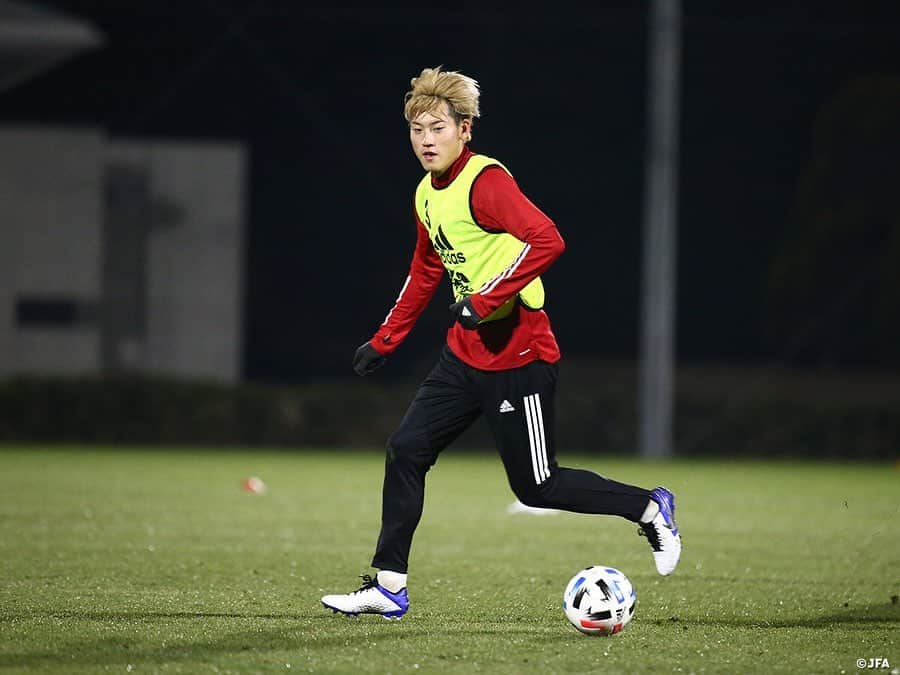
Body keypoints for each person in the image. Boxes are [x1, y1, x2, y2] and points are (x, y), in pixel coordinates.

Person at [321, 66, 681, 620]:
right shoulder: (426, 194)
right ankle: (389, 587)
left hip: (519, 355)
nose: (426, 139)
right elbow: (425, 270)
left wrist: (487, 299)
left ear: (465, 130)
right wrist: (386, 339)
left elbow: (548, 238)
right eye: (417, 129)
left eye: (437, 127)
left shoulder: (486, 183)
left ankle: (648, 508)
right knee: (406, 449)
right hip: (462, 355)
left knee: (539, 487)